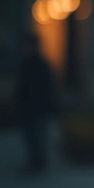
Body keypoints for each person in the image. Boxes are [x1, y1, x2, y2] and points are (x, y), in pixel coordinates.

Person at [13, 33, 57, 175]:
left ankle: (38, 162)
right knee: (32, 136)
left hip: (36, 108)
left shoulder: (38, 65)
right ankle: (36, 161)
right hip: (31, 108)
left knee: (36, 136)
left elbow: (47, 88)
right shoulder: (30, 64)